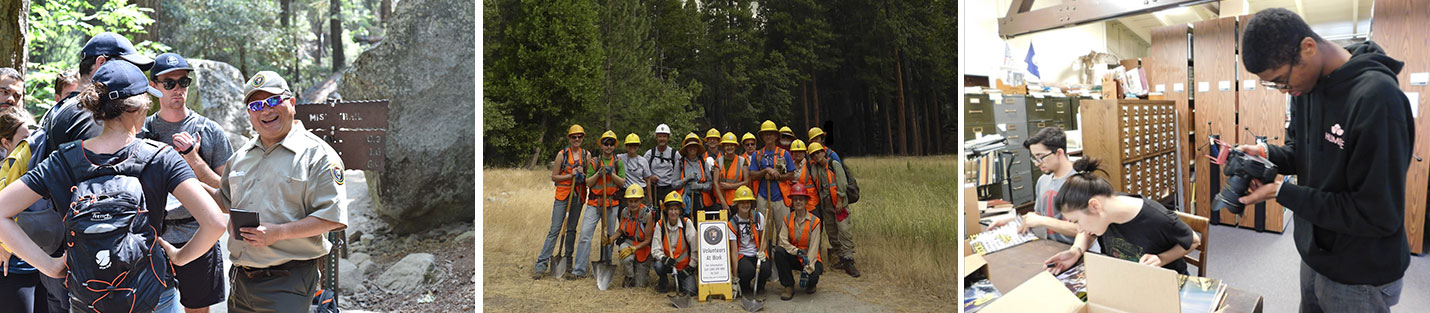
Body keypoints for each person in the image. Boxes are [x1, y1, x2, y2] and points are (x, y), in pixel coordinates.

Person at [0, 60, 225, 313]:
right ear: (140, 105)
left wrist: (50, 267)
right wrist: (178, 257)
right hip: (150, 295)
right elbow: (215, 222)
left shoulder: (65, 159)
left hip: (88, 297)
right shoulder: (162, 157)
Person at [1237, 8, 1411, 312]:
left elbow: (1377, 214)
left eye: (1281, 80)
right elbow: (1302, 154)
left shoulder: (1377, 99)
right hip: (1316, 254)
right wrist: (1266, 153)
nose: (1284, 90)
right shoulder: (1305, 89)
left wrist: (1282, 192)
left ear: (1308, 47)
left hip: (1359, 272)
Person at [217, 71, 349, 312]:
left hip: (288, 281)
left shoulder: (317, 155)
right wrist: (187, 168)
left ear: (292, 103)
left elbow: (331, 218)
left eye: (273, 101)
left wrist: (279, 233)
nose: (266, 111)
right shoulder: (241, 157)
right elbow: (224, 201)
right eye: (256, 105)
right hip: (241, 280)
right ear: (249, 114)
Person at [137, 53, 233, 313]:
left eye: (183, 81)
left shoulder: (210, 130)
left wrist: (194, 161)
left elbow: (228, 194)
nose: (178, 89)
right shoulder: (140, 132)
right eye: (169, 83)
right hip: (151, 238)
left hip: (197, 234)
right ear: (153, 87)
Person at [1043, 158, 1200, 276]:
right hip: (1128, 278)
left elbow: (1193, 240)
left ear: (1095, 206)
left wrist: (1162, 258)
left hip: (1164, 282)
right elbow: (1086, 233)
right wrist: (1075, 251)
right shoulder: (1105, 211)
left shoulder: (1156, 217)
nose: (1079, 229)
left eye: (1076, 221)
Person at [989, 127, 1081, 245]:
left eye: (1040, 157)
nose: (1037, 163)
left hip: (1078, 253)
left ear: (1059, 153)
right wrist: (1011, 221)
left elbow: (1083, 230)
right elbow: (1039, 216)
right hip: (1051, 247)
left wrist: (1042, 220)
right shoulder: (1043, 181)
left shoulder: (1081, 182)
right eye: (1034, 158)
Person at [533, 124, 591, 280]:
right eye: (574, 137)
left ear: (583, 138)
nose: (577, 139)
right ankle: (541, 265)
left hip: (577, 196)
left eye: (579, 136)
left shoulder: (586, 155)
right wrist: (570, 175)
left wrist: (581, 174)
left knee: (571, 230)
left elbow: (589, 178)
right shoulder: (562, 155)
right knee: (555, 229)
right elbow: (554, 177)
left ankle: (568, 263)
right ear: (569, 138)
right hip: (562, 196)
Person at [0, 106, 41, 313]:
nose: (31, 144)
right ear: (5, 143)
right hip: (12, 271)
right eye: (24, 139)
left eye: (34, 136)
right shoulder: (5, 173)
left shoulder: (43, 171)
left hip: (43, 269)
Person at [571, 130, 625, 279]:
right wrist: (599, 173)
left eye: (611, 143)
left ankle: (606, 263)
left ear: (614, 146)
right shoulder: (594, 162)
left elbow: (622, 182)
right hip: (594, 203)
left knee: (608, 237)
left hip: (611, 204)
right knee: (584, 236)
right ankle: (579, 270)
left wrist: (611, 173)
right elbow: (588, 182)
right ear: (601, 145)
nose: (608, 146)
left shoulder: (618, 162)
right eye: (606, 143)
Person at [806, 143, 859, 277]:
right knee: (832, 232)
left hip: (839, 204)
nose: (816, 155)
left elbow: (842, 183)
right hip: (826, 206)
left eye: (818, 152)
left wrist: (840, 200)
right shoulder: (815, 168)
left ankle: (849, 261)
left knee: (844, 231)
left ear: (823, 152)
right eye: (813, 154)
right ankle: (841, 258)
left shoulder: (834, 164)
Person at [774, 185, 822, 300]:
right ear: (792, 202)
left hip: (810, 258)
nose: (798, 201)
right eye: (795, 199)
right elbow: (783, 241)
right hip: (795, 255)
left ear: (806, 201)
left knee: (813, 275)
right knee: (779, 252)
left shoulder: (815, 221)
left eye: (801, 198)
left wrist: (807, 269)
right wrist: (796, 251)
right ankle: (788, 286)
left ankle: (811, 284)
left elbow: (814, 248)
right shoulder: (787, 219)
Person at [748, 121, 795, 237]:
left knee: (783, 231)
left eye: (771, 134)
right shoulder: (757, 155)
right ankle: (766, 254)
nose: (768, 136)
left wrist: (777, 177)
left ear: (775, 136)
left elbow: (791, 175)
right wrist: (766, 171)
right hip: (763, 197)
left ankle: (780, 254)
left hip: (781, 198)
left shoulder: (784, 154)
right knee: (763, 231)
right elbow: (752, 175)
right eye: (765, 134)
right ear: (762, 137)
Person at [725, 186, 770, 296]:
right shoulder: (733, 223)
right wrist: (735, 278)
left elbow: (763, 239)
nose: (745, 205)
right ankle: (744, 287)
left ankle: (759, 287)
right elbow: (734, 252)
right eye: (742, 203)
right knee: (747, 271)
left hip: (757, 253)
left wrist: (761, 251)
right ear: (737, 205)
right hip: (742, 255)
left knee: (766, 268)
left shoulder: (758, 217)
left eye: (748, 202)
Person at [651, 191, 698, 295]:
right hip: (667, 263)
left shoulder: (687, 223)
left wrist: (690, 268)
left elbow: (695, 248)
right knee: (658, 265)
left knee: (691, 291)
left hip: (684, 266)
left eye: (676, 209)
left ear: (680, 211)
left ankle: (681, 280)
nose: (673, 212)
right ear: (666, 210)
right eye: (671, 209)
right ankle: (663, 280)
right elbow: (655, 249)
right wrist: (664, 258)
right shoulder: (660, 224)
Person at [614, 184, 655, 288]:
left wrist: (634, 248)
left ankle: (641, 271)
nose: (633, 204)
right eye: (630, 201)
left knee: (640, 285)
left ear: (641, 200)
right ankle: (629, 276)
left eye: (636, 201)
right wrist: (610, 239)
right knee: (626, 258)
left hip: (642, 247)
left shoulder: (647, 215)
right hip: (628, 242)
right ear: (627, 201)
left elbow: (648, 239)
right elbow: (620, 231)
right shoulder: (624, 212)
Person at [677, 133, 721, 215]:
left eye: (694, 146)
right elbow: (674, 184)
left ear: (698, 147)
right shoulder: (680, 163)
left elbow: (710, 184)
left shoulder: (704, 162)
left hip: (701, 203)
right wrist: (686, 180)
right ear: (686, 148)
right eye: (690, 146)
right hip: (684, 201)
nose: (692, 148)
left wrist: (699, 186)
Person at [643, 124, 678, 222]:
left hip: (670, 189)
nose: (662, 139)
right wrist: (651, 177)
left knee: (670, 215)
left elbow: (678, 172)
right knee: (655, 216)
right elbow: (643, 172)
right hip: (655, 190)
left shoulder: (674, 154)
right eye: (660, 136)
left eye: (664, 136)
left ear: (668, 138)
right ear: (656, 137)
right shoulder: (650, 154)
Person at [716, 132, 749, 209]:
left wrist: (730, 186)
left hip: (737, 200)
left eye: (731, 145)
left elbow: (746, 182)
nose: (729, 147)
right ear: (723, 147)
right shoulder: (718, 162)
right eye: (727, 145)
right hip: (721, 201)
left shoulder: (742, 161)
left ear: (735, 147)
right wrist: (723, 202)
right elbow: (715, 183)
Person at [785, 140, 818, 213]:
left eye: (800, 151)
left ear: (804, 152)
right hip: (795, 203)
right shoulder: (788, 166)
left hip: (811, 203)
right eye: (795, 152)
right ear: (792, 153)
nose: (798, 154)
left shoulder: (811, 165)